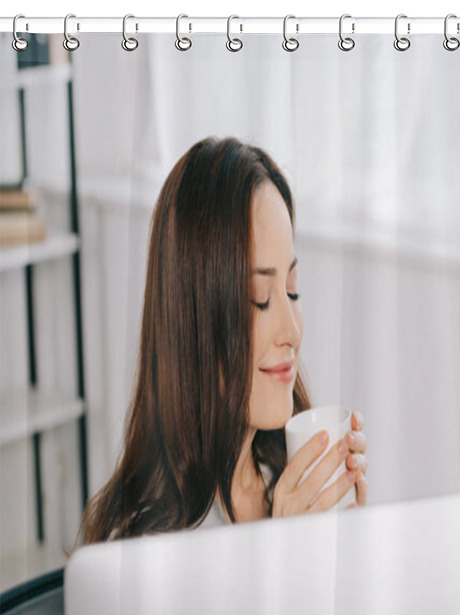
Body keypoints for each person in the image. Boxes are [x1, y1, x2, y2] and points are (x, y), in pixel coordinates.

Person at [74, 136, 368, 547]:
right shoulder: (144, 543)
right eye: (260, 299)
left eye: (292, 290)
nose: (292, 331)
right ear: (196, 317)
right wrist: (281, 555)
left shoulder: (282, 481)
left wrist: (346, 546)